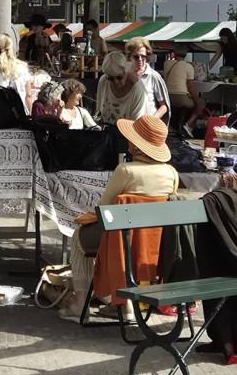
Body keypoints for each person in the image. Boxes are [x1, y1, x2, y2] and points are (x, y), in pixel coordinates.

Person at [71, 114, 179, 316]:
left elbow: (103, 210)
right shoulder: (171, 173)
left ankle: (80, 304)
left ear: (138, 145)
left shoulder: (126, 170)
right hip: (154, 246)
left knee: (78, 237)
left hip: (123, 240)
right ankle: (124, 301)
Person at [96, 51, 149, 123]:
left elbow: (137, 125)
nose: (116, 82)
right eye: (111, 79)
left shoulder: (138, 90)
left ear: (126, 71)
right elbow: (98, 112)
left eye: (119, 77)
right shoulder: (104, 81)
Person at [125, 37, 169, 122]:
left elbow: (164, 106)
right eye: (136, 57)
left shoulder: (153, 76)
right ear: (130, 57)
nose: (140, 60)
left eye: (143, 56)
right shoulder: (125, 75)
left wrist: (152, 120)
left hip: (146, 126)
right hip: (128, 124)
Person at [162, 46, 199, 130]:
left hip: (168, 96)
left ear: (174, 53)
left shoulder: (166, 63)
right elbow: (190, 87)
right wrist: (196, 98)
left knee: (184, 105)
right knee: (199, 104)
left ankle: (179, 124)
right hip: (181, 98)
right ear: (186, 54)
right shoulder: (189, 67)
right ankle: (188, 124)